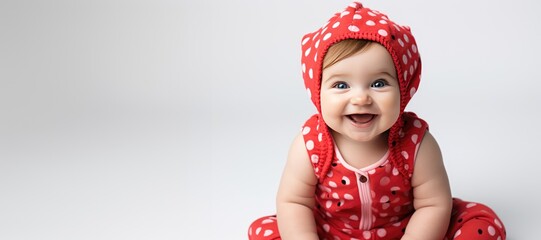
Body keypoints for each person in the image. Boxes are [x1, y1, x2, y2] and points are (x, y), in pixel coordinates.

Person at [248, 2, 506, 240]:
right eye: (341, 85)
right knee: (263, 230)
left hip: (409, 229)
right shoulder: (311, 144)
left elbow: (433, 204)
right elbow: (294, 203)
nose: (360, 97)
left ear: (403, 89)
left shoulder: (416, 143)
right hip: (331, 231)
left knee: (483, 223)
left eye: (378, 83)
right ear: (317, 92)